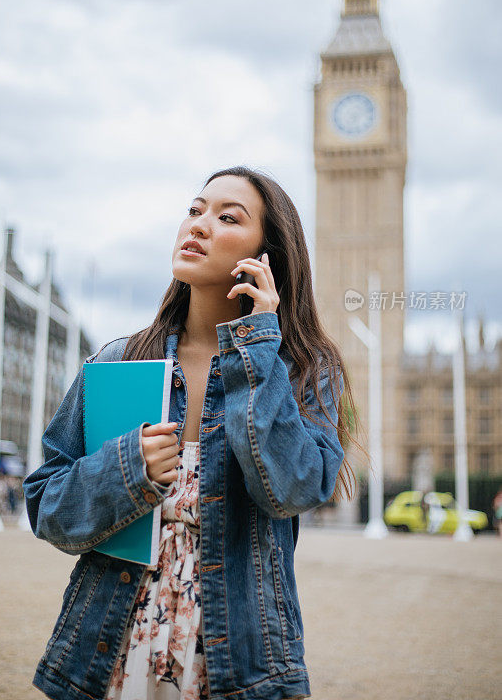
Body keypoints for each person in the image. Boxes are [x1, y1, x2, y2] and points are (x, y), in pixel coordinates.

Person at [23, 166, 365, 700]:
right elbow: (46, 507)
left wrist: (256, 348)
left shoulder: (304, 372)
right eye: (195, 209)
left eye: (228, 217)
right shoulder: (121, 361)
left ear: (267, 255)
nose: (200, 224)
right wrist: (125, 469)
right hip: (111, 653)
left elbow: (294, 489)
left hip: (241, 666)